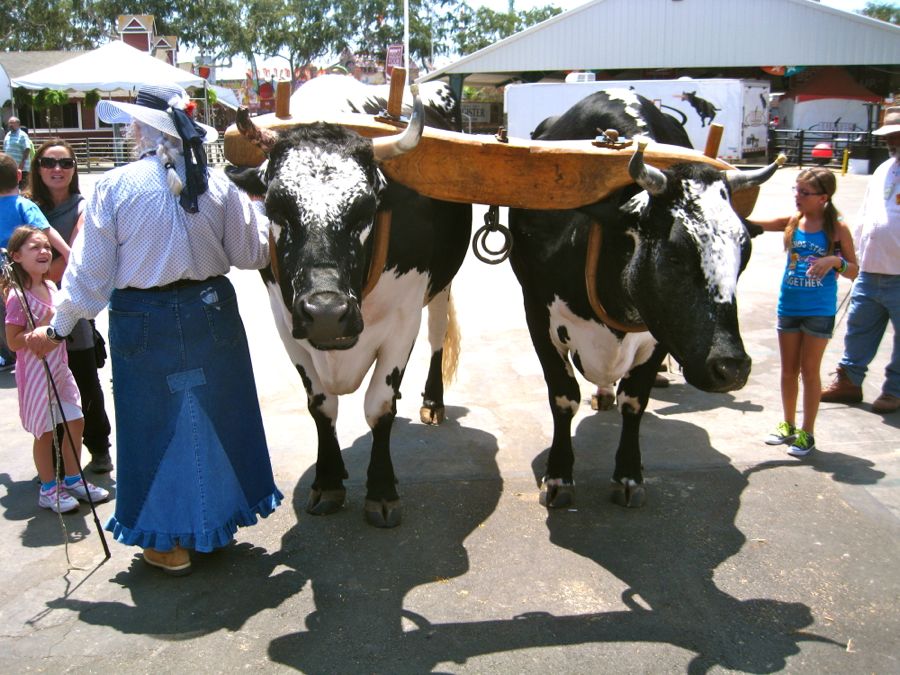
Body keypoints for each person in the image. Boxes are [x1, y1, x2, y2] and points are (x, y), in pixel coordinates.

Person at [26, 82, 282, 577]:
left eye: (130, 122)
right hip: (212, 311)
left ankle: (171, 542)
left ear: (142, 129)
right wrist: (259, 210)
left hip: (144, 320)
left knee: (155, 428)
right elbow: (251, 255)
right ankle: (213, 525)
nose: (127, 129)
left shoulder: (116, 186)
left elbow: (88, 281)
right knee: (216, 416)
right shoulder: (218, 185)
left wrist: (56, 330)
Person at [752, 167, 858, 457]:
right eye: (796, 190)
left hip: (818, 310)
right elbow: (757, 223)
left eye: (804, 192)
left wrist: (833, 262)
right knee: (788, 371)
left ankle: (807, 433)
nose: (797, 197)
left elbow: (854, 270)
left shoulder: (837, 228)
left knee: (809, 372)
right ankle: (787, 425)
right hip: (789, 306)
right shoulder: (794, 221)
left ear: (823, 197)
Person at [2, 225, 109, 513]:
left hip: (61, 368)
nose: (44, 251)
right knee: (45, 432)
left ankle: (73, 479)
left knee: (75, 420)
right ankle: (49, 488)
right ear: (16, 256)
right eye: (35, 247)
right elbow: (13, 342)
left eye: (46, 247)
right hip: (37, 373)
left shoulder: (50, 287)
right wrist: (36, 333)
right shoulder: (17, 297)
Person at [27, 139, 114, 473]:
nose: (57, 170)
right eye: (49, 163)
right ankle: (55, 460)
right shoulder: (26, 207)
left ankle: (98, 446)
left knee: (83, 381)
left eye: (65, 163)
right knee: (44, 387)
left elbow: (76, 257)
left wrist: (48, 273)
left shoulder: (85, 205)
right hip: (35, 308)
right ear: (38, 168)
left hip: (75, 308)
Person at [821, 107, 900, 414]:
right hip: (871, 268)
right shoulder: (884, 169)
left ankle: (894, 390)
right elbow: (868, 215)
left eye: (896, 136)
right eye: (889, 136)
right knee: (858, 328)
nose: (891, 141)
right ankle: (849, 381)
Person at [0, 153, 70, 371]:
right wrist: (68, 253)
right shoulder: (24, 205)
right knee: (29, 306)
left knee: (7, 313)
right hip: (20, 269)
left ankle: (6, 353)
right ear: (19, 175)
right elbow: (46, 230)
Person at [3, 117, 31, 190]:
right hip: (11, 168)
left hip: (22, 169)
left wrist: (21, 165)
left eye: (12, 123)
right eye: (9, 123)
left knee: (23, 190)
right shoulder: (8, 135)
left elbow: (27, 149)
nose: (10, 125)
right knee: (12, 189)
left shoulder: (22, 135)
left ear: (18, 124)